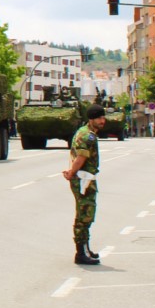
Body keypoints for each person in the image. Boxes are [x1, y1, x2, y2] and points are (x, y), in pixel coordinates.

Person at [64, 104, 106, 265]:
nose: (103, 121)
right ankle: (80, 253)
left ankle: (85, 249)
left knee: (86, 213)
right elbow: (80, 158)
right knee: (84, 214)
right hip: (83, 178)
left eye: (103, 118)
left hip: (85, 177)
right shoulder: (87, 136)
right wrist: (72, 173)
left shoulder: (85, 133)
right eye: (99, 118)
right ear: (91, 119)